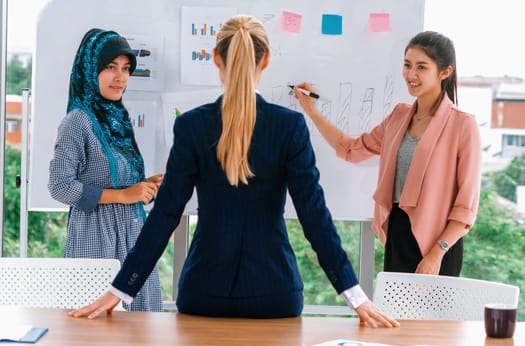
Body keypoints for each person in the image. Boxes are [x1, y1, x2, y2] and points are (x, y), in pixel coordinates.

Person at [69, 16, 399, 328]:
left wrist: (121, 289)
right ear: (266, 60)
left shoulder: (192, 125)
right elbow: (314, 216)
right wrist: (355, 295)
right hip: (274, 293)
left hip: (204, 291)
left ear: (215, 58)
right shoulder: (289, 127)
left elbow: (165, 214)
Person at [293, 31, 481, 276]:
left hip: (439, 245)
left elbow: (466, 206)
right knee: (394, 315)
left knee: (433, 316)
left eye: (422, 67)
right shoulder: (399, 116)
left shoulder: (462, 125)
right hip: (398, 234)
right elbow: (352, 149)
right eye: (407, 65)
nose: (411, 75)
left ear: (444, 72)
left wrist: (437, 253)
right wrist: (311, 111)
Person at [48, 28, 164, 312]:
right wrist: (124, 196)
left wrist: (144, 186)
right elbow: (60, 186)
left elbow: (119, 181)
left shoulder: (117, 120)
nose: (120, 77)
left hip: (132, 235)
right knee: (96, 330)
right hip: (96, 237)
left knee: (141, 331)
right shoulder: (78, 121)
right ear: (90, 70)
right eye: (111, 67)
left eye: (126, 68)